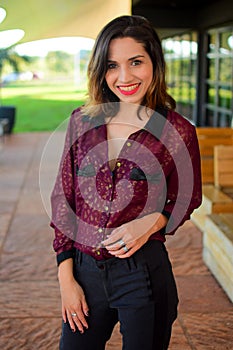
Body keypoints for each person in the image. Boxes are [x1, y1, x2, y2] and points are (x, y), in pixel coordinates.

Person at [50, 15, 202, 350]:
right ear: (100, 71)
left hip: (143, 274)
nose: (125, 77)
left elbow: (186, 198)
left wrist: (151, 222)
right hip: (84, 272)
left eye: (136, 62)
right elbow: (64, 200)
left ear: (154, 63)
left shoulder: (178, 132)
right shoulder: (81, 122)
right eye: (112, 65)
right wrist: (66, 278)